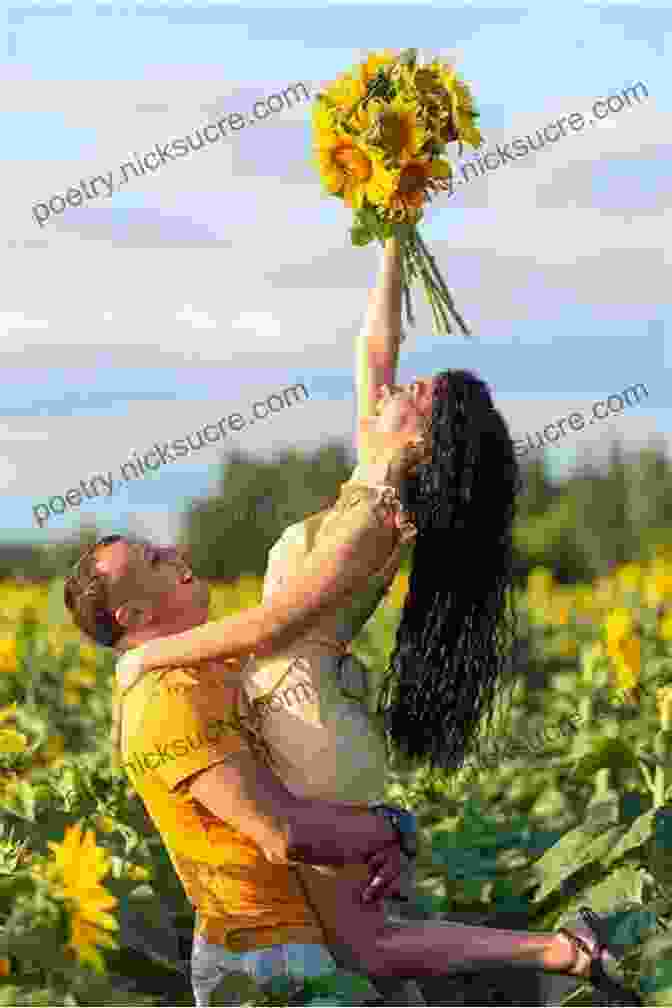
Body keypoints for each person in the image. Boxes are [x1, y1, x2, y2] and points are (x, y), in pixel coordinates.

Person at [64, 239, 642, 1007]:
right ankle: (559, 952)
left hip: (304, 714)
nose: (398, 385)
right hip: (302, 700)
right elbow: (374, 344)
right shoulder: (368, 486)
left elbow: (274, 622)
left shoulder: (375, 518)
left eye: (420, 393)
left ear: (419, 440)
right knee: (370, 945)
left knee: (366, 943)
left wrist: (144, 660)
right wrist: (393, 231)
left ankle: (559, 955)